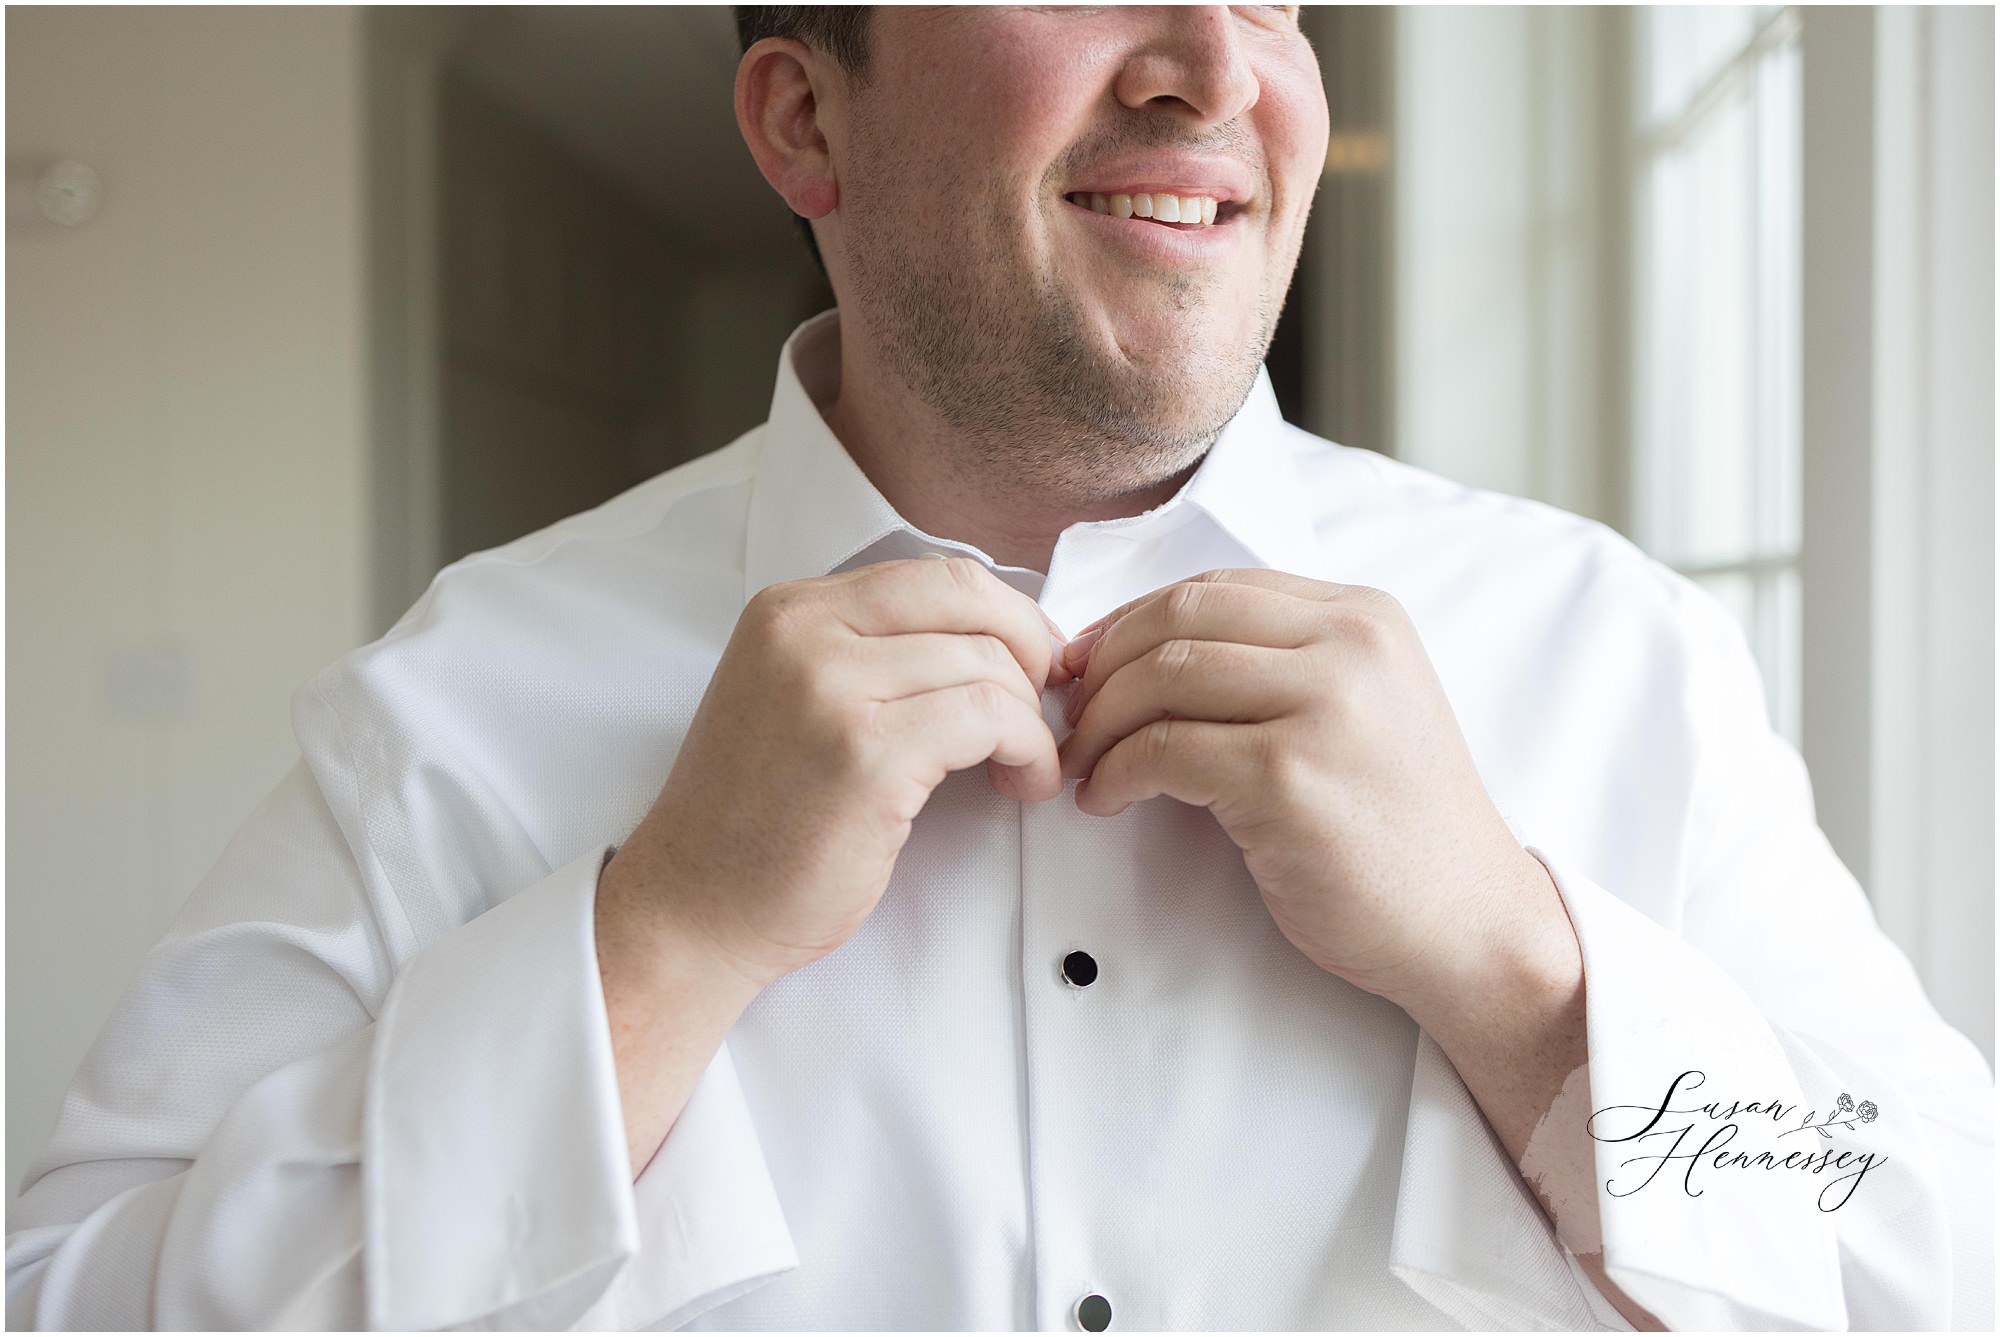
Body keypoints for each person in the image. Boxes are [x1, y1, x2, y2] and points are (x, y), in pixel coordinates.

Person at [7, 5, 1991, 1330]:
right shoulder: (453, 711)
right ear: (806, 119)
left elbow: (1934, 1268)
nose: (1218, 64)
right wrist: (653, 951)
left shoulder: (1612, 653)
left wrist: (1520, 976)